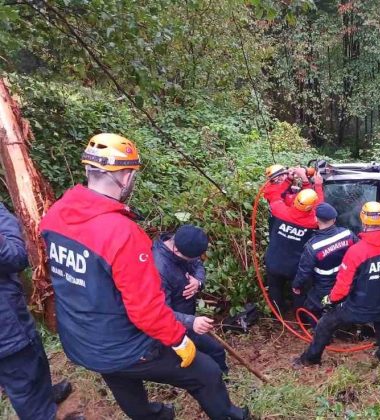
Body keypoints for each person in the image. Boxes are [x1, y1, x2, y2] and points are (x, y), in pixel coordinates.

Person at [40, 133, 248, 420]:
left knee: (120, 378)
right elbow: (145, 309)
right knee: (207, 373)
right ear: (125, 177)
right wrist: (179, 339)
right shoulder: (122, 233)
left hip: (82, 339)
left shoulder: (55, 215)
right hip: (123, 343)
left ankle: (154, 415)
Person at [293, 202, 380, 367]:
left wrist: (329, 299)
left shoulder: (357, 252)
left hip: (357, 308)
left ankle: (311, 359)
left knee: (325, 324)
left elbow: (342, 288)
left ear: (363, 220)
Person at [0, 203, 73, 420]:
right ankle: (43, 413)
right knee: (21, 378)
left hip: (9, 313)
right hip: (5, 328)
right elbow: (16, 256)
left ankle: (44, 396)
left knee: (33, 358)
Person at [153, 224, 228, 374]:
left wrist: (198, 282)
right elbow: (160, 312)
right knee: (216, 351)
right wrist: (191, 322)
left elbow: (197, 264)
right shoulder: (159, 270)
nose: (195, 259)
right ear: (177, 250)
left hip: (187, 315)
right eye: (191, 258)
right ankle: (220, 381)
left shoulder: (183, 244)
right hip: (177, 325)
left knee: (212, 354)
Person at [264, 172, 324, 314]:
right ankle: (300, 317)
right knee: (299, 291)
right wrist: (316, 185)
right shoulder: (312, 222)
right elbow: (320, 208)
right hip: (295, 268)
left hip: (273, 261)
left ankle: (278, 313)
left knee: (274, 287)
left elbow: (274, 194)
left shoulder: (279, 210)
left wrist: (289, 179)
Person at [292, 202, 358, 323]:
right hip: (346, 282)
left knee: (311, 308)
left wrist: (297, 286)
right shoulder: (347, 234)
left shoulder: (313, 246)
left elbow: (304, 272)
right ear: (334, 219)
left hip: (324, 287)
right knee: (340, 304)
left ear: (316, 219)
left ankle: (320, 333)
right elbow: (359, 252)